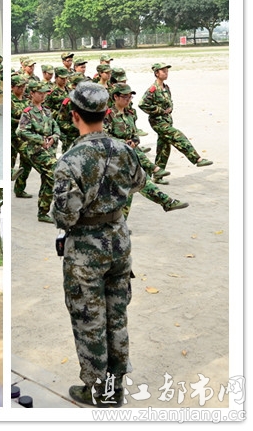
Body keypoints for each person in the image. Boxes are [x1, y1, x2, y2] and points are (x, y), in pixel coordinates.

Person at [51, 81, 146, 408]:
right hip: (119, 242)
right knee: (116, 315)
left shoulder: (69, 161)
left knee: (89, 319)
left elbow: (64, 216)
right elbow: (139, 182)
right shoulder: (124, 149)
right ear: (106, 113)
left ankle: (96, 390)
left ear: (74, 115)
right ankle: (115, 386)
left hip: (86, 250)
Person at [105, 83, 189, 215]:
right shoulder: (108, 115)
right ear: (115, 97)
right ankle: (164, 197)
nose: (128, 100)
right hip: (115, 157)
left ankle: (165, 200)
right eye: (125, 97)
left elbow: (134, 134)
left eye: (130, 97)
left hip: (130, 155)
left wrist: (134, 141)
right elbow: (104, 137)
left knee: (136, 185)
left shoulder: (130, 114)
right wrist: (124, 143)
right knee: (134, 185)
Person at [138, 63, 213, 184]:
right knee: (177, 135)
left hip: (167, 120)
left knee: (164, 147)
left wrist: (170, 108)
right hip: (157, 121)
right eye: (163, 71)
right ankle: (197, 159)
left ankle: (157, 175)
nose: (166, 73)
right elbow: (142, 104)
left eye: (167, 71)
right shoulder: (153, 89)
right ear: (156, 73)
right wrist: (160, 110)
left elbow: (169, 102)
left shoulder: (166, 88)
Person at [16, 80, 61, 223]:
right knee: (55, 172)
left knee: (48, 179)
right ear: (32, 94)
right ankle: (52, 209)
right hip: (35, 151)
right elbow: (21, 131)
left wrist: (54, 137)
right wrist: (40, 140)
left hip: (49, 150)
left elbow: (56, 127)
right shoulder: (28, 113)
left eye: (44, 93)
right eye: (40, 93)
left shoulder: (47, 111)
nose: (43, 96)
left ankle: (43, 212)